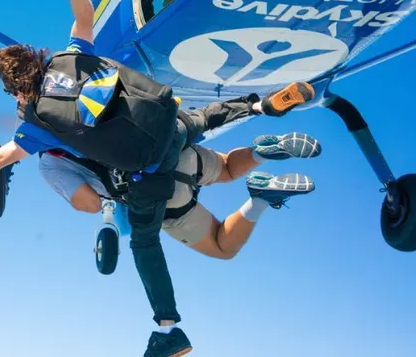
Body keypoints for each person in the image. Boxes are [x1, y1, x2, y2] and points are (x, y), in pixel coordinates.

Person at [0, 0, 317, 357]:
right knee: (210, 136)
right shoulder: (69, 56)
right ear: (35, 57)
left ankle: (171, 326)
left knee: (179, 244)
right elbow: (84, 15)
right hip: (173, 131)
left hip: (152, 186)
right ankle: (259, 110)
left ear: (15, 90)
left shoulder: (39, 127)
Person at [38, 94, 321, 357]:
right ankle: (263, 152)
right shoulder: (81, 101)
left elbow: (89, 203)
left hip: (159, 196)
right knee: (226, 168)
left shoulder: (49, 162)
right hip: (176, 150)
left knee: (220, 246)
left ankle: (259, 199)